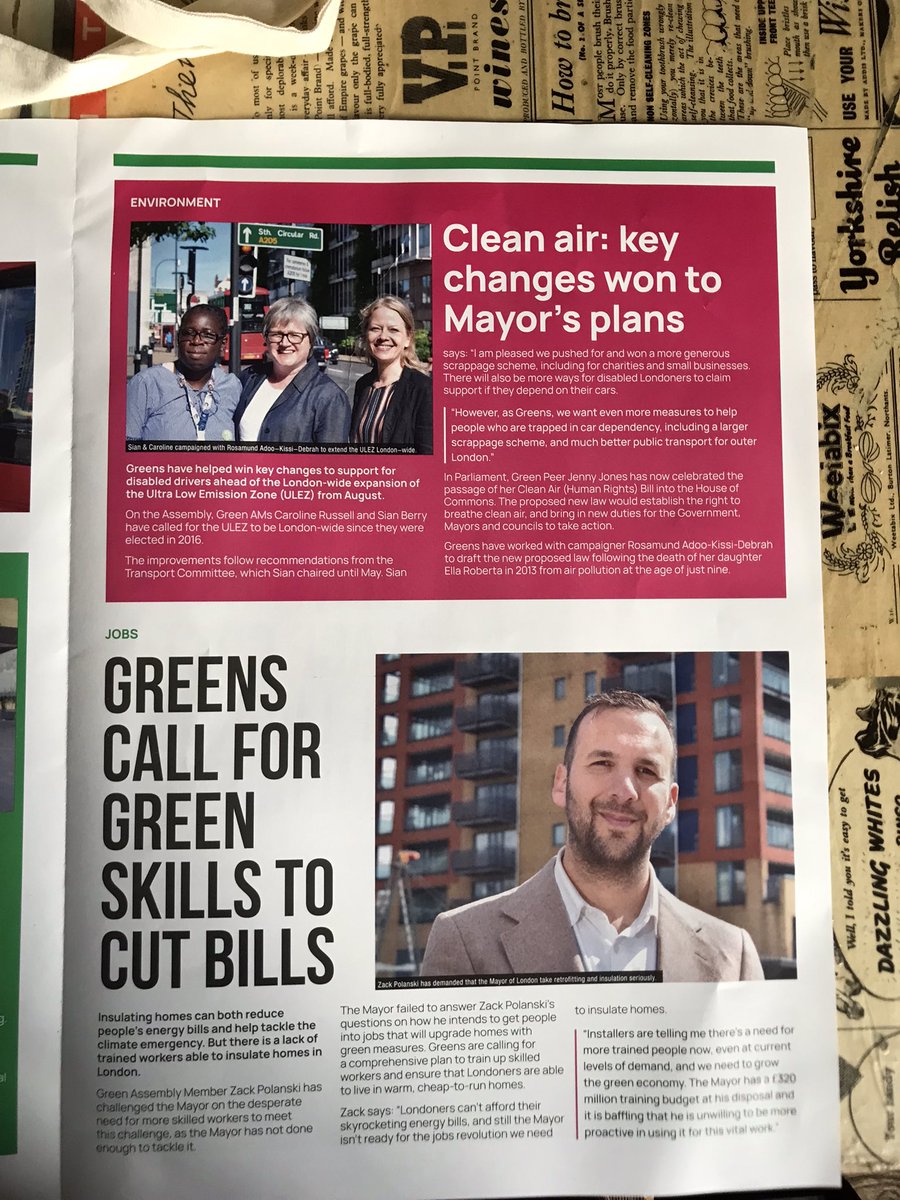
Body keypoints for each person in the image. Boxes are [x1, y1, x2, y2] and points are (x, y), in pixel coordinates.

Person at [421, 691, 764, 983]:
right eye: (602, 763)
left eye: (645, 771)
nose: (625, 790)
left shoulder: (733, 957)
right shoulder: (464, 941)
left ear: (671, 802)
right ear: (561, 783)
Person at [234, 297, 349, 444]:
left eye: (295, 335)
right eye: (276, 334)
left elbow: (331, 464)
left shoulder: (329, 397)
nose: (284, 343)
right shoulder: (248, 379)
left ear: (311, 340)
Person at [126, 305, 239, 443]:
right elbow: (125, 450)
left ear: (222, 344)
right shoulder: (146, 383)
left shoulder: (232, 386)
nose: (196, 341)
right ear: (179, 338)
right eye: (188, 333)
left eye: (208, 335)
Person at [350, 296, 432, 454]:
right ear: (366, 335)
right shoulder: (363, 385)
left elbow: (428, 457)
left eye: (393, 330)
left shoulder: (424, 389)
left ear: (408, 338)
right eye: (375, 328)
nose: (383, 337)